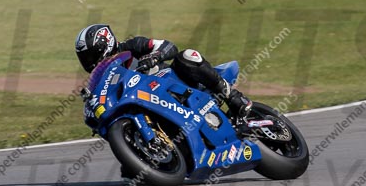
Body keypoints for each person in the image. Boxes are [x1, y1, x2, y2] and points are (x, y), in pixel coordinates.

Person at [75, 24, 252, 128]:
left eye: (90, 55)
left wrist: (154, 56)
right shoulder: (102, 77)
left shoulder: (132, 46)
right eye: (84, 58)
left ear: (104, 45)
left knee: (187, 55)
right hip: (148, 104)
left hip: (173, 83)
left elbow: (168, 46)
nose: (89, 62)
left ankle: (234, 98)